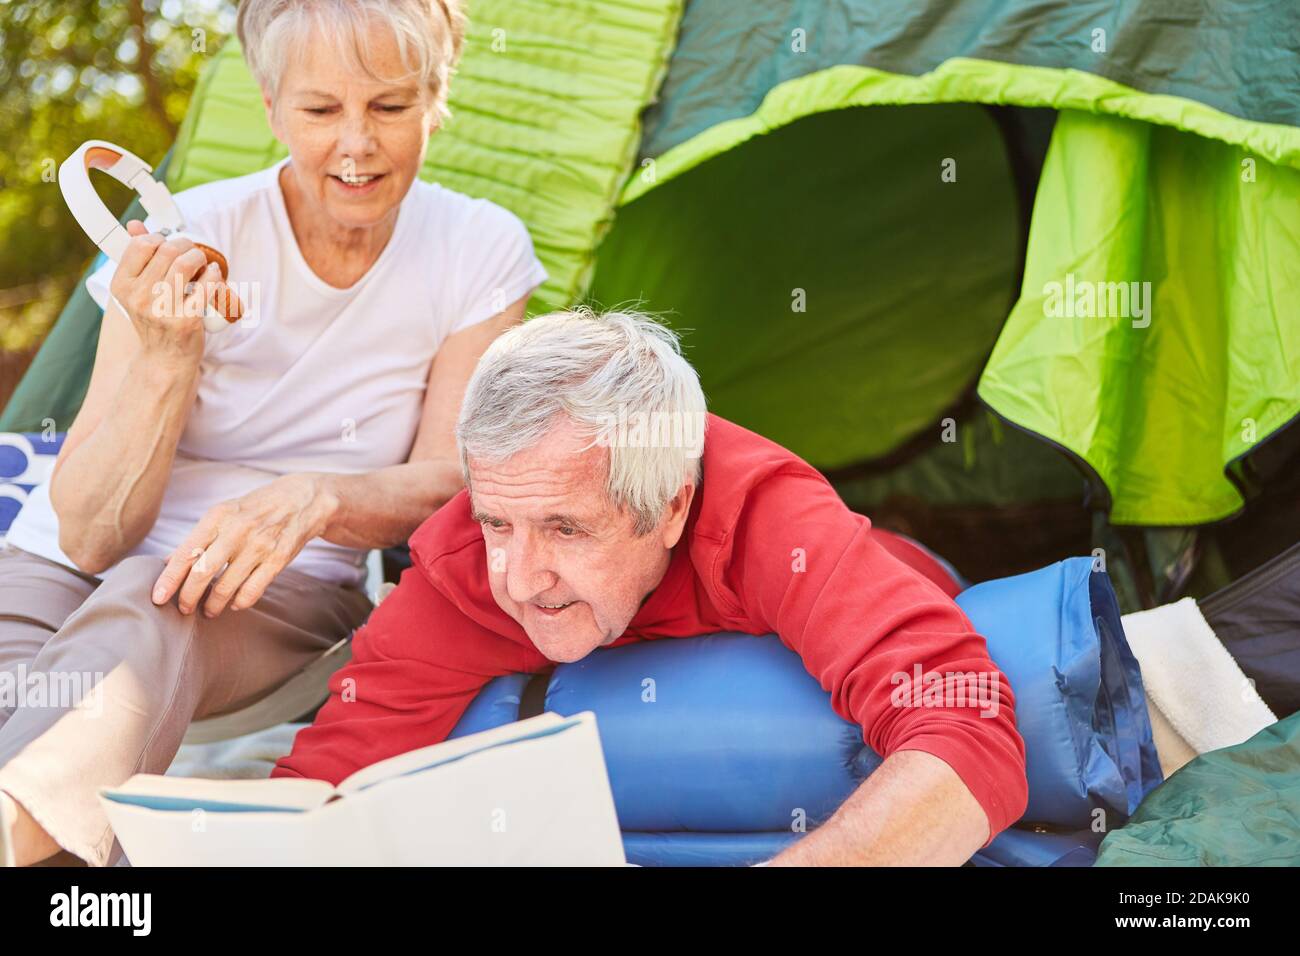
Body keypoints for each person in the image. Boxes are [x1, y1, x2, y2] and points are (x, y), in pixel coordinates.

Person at [0, 0, 547, 867]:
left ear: (436, 99)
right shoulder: (182, 237)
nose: (356, 145)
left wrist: (318, 495)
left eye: (391, 107)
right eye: (321, 110)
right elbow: (90, 532)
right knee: (43, 749)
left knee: (150, 610)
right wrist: (169, 358)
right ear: (270, 104)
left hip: (271, 594)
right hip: (59, 566)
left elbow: (451, 480)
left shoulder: (478, 250)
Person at [274, 309, 1030, 865]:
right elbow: (312, 791)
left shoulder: (769, 520)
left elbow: (968, 722)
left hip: (917, 570)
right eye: (499, 522)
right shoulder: (469, 566)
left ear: (670, 507)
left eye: (567, 529)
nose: (519, 576)